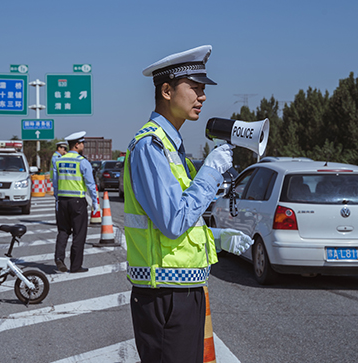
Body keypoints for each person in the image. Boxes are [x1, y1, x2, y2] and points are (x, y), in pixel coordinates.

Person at [124, 45, 253, 363]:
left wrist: (220, 239)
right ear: (166, 90)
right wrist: (209, 171)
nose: (202, 96)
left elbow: (187, 217)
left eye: (203, 89)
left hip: (182, 287)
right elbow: (172, 222)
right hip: (164, 293)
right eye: (194, 88)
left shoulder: (173, 148)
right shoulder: (151, 145)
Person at [52, 131, 99, 273]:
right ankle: (75, 266)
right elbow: (90, 184)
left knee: (63, 231)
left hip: (62, 201)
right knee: (79, 234)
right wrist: (95, 203)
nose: (83, 145)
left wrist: (57, 199)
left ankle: (59, 258)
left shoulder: (59, 161)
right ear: (77, 145)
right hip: (77, 202)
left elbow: (55, 183)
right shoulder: (82, 162)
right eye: (82, 143)